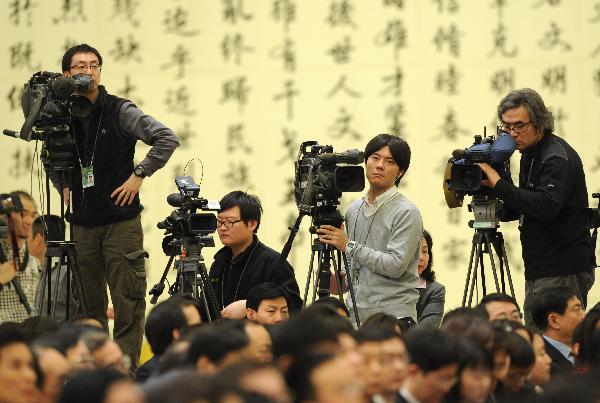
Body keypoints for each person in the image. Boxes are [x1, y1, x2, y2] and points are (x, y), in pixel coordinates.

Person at [57, 44, 179, 367]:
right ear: (66, 75)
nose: (88, 71)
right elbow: (49, 154)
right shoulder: (61, 115)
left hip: (120, 223)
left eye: (94, 65)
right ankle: (94, 374)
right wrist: (62, 184)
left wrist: (139, 174)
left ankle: (124, 375)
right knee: (88, 307)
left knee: (128, 303)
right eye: (80, 66)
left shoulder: (120, 111)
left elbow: (167, 138)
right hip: (82, 224)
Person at [478, 88, 595, 325]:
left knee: (553, 338)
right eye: (506, 126)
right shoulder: (529, 153)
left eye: (519, 126)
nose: (512, 134)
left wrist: (499, 184)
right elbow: (526, 204)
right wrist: (495, 203)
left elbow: (545, 206)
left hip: (561, 268)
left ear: (540, 122)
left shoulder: (556, 157)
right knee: (537, 337)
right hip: (541, 265)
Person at [317, 133, 423, 325]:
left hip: (393, 318)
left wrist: (348, 245)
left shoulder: (407, 212)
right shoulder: (353, 209)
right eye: (375, 158)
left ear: (400, 172)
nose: (380, 165)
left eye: (389, 161)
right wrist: (335, 282)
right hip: (356, 318)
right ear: (366, 162)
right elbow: (353, 269)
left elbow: (395, 266)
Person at [208, 191, 302, 319]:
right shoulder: (219, 263)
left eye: (229, 222)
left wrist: (249, 305)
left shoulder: (273, 262)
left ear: (252, 224)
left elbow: (294, 307)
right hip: (222, 331)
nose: (222, 228)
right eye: (219, 221)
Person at [0, 191, 39, 323]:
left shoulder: (35, 255)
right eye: (22, 213)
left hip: (29, 331)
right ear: (6, 215)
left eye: (33, 215)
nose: (29, 221)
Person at [530, 286, 585, 377]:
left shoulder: (590, 345)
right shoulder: (539, 360)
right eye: (577, 309)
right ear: (554, 321)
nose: (584, 316)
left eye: (582, 308)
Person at [416, 230, 445, 328]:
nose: (421, 257)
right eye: (415, 251)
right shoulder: (384, 284)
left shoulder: (435, 290)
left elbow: (426, 331)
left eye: (425, 251)